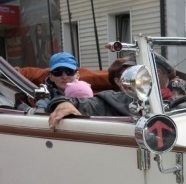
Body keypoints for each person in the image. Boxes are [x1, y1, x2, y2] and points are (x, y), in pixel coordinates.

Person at [47, 53, 176, 130]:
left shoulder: (184, 105)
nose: (126, 79)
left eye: (133, 73)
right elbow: (84, 104)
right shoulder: (115, 100)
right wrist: (65, 103)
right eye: (125, 75)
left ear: (156, 75)